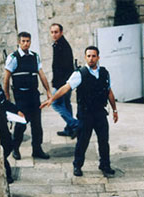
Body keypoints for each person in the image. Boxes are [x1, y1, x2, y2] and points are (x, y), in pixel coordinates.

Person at [42, 45, 118, 176]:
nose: (91, 59)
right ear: (85, 57)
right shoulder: (79, 74)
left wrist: (115, 110)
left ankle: (105, 165)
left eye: (94, 56)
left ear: (98, 57)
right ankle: (77, 165)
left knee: (104, 141)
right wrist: (52, 99)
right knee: (83, 141)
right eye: (88, 56)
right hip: (85, 113)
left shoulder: (105, 73)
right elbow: (66, 87)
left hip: (100, 112)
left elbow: (109, 91)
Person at [3, 31, 51, 161]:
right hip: (21, 96)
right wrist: (7, 95)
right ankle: (16, 148)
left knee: (37, 124)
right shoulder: (13, 58)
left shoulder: (35, 56)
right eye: (23, 41)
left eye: (28, 41)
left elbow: (41, 74)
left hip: (33, 95)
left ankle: (37, 149)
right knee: (21, 124)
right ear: (19, 42)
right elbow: (6, 78)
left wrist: (48, 91)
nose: (26, 43)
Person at [49, 23, 79, 138]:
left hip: (63, 83)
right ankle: (69, 129)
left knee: (55, 103)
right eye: (52, 32)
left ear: (61, 32)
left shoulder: (63, 46)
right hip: (64, 82)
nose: (54, 34)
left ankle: (74, 124)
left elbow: (65, 67)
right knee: (66, 105)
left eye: (56, 32)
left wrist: (61, 84)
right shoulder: (57, 45)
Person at [0, 83, 23, 184]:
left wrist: (17, 111)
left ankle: (7, 172)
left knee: (8, 146)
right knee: (3, 148)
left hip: (3, 123)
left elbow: (5, 103)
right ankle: (7, 174)